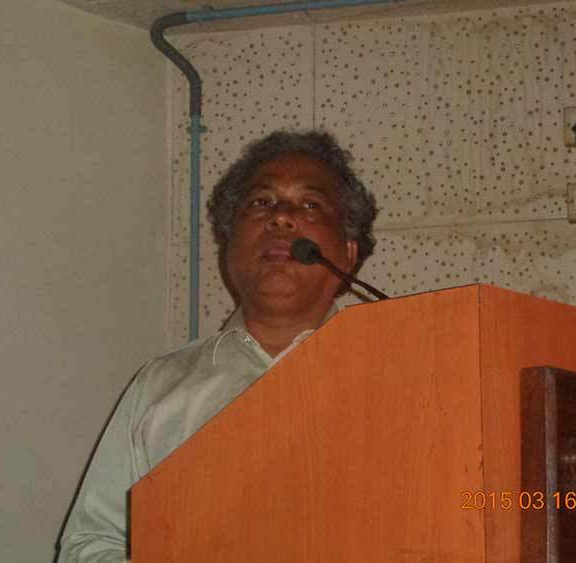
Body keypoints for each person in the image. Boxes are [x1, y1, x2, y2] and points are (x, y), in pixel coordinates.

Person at [55, 129, 378, 562]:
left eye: (309, 205)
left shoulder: (399, 378)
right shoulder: (161, 386)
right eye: (260, 202)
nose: (281, 218)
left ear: (349, 253)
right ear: (229, 246)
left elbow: (467, 507)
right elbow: (91, 544)